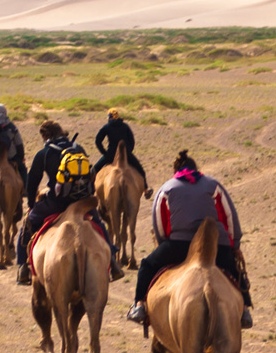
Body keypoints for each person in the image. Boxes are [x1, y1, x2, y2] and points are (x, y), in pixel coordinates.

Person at [126, 150, 252, 329]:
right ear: (196, 169)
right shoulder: (213, 184)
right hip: (215, 244)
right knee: (234, 270)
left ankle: (139, 306)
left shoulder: (167, 188)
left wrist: (165, 244)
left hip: (180, 244)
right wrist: (234, 244)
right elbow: (229, 216)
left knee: (147, 265)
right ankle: (245, 309)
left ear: (176, 170)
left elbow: (159, 222)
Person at [13, 131, 123, 285]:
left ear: (46, 137)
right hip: (81, 201)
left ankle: (23, 267)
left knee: (28, 224)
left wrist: (32, 204)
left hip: (56, 202)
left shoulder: (44, 153)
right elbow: (89, 175)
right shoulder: (78, 149)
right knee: (99, 224)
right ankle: (113, 262)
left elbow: (32, 182)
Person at [91, 108, 145, 180]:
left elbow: (98, 141)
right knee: (140, 169)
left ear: (109, 117)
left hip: (111, 154)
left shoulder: (107, 127)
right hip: (126, 153)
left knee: (95, 169)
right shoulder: (125, 126)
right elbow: (132, 141)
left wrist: (104, 153)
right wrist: (128, 152)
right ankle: (145, 188)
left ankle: (91, 187)